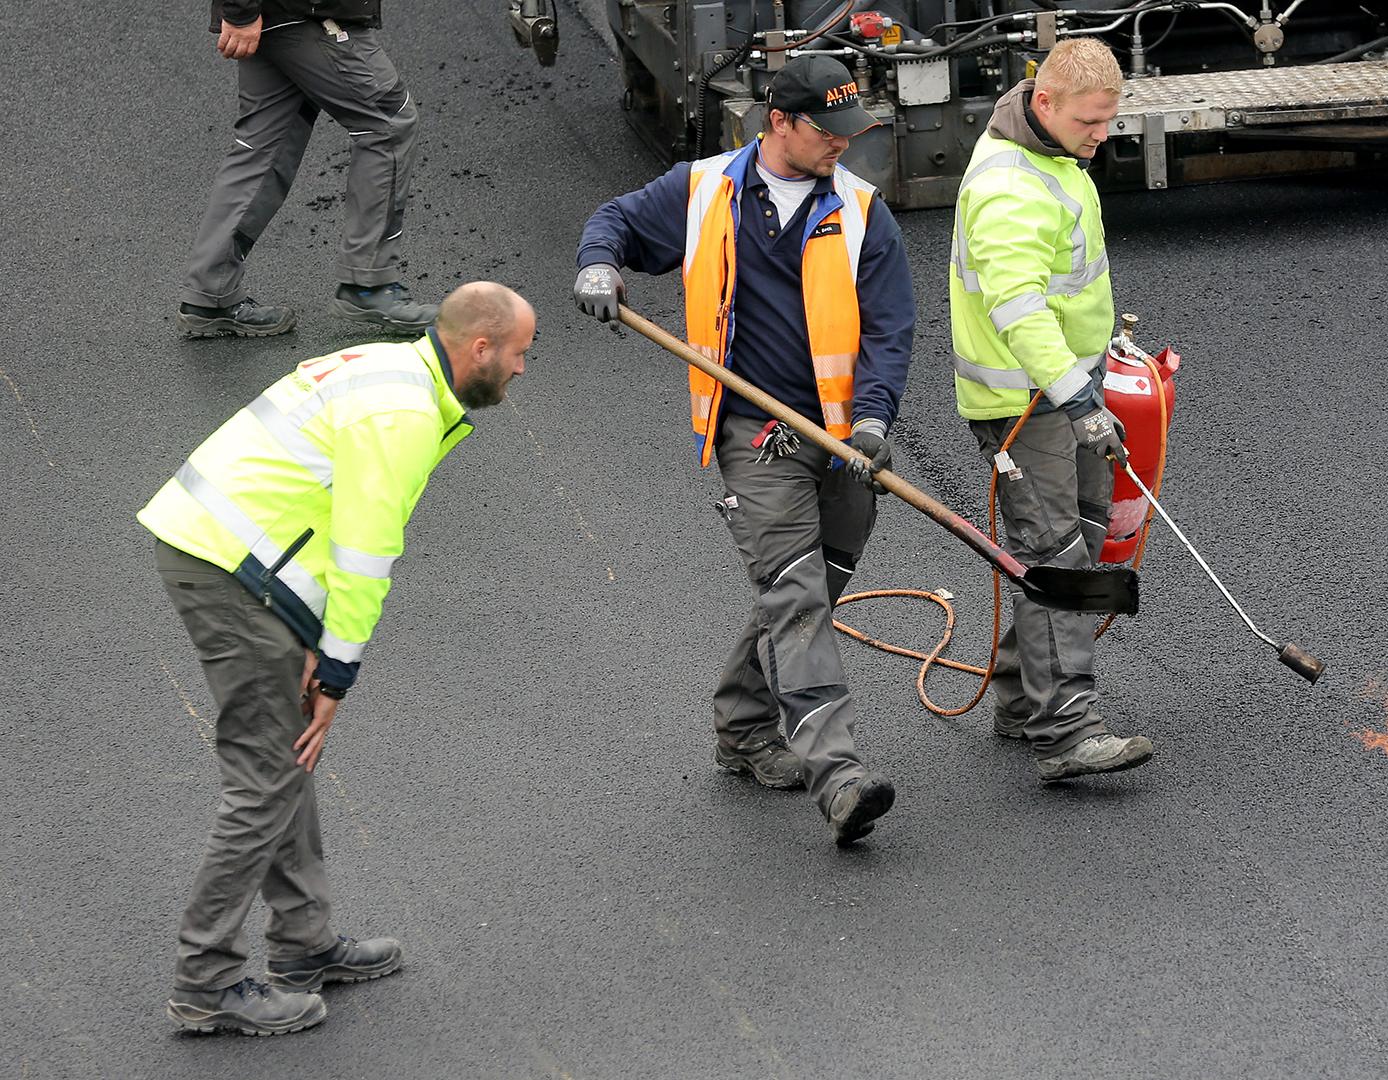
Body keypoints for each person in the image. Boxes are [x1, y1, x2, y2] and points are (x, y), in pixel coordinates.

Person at [142, 282, 534, 1035]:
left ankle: (304, 943)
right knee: (266, 777)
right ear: (480, 348)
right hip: (232, 566)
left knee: (285, 756)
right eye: (519, 353)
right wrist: (336, 673)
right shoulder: (404, 415)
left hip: (227, 549)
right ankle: (206, 980)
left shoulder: (396, 371)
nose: (522, 369)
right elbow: (364, 554)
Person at [572, 56, 914, 846]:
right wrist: (598, 263)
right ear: (778, 122)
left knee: (812, 586)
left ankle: (743, 725)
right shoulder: (701, 192)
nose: (843, 146)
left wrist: (871, 424)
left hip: (843, 442)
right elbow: (614, 222)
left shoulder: (864, 212)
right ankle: (839, 775)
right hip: (756, 437)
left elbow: (890, 332)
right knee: (794, 596)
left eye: (849, 132)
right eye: (828, 133)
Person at [947, 39, 1155, 781]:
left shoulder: (1054, 156)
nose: (1103, 134)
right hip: (1025, 404)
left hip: (1067, 391)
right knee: (1058, 558)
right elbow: (1019, 305)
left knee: (1079, 537)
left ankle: (1020, 698)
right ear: (1045, 103)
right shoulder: (1010, 186)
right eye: (1091, 121)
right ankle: (1066, 731)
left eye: (1109, 119)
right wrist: (1076, 396)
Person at [177, 0, 437, 339]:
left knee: (266, 146)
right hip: (306, 12)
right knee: (388, 121)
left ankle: (209, 293)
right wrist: (240, 11)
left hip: (281, 16)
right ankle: (369, 284)